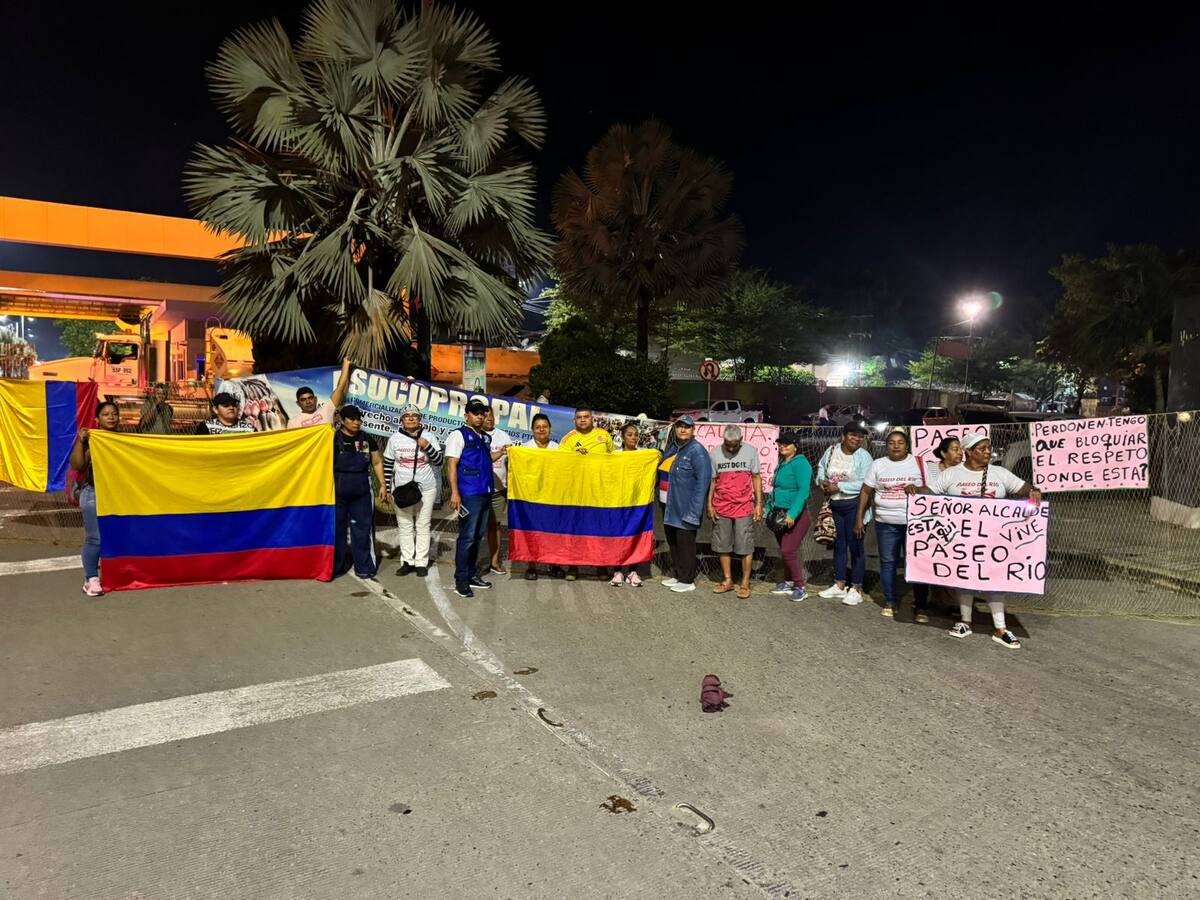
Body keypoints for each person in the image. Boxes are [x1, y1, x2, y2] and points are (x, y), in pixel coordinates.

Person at [929, 432, 1042, 649]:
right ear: (969, 452)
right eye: (982, 449)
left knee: (994, 579)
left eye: (989, 448)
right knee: (964, 576)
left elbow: (1024, 487)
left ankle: (1000, 628)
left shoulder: (1000, 473)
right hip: (962, 539)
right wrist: (914, 490)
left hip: (994, 541)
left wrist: (1033, 491)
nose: (988, 452)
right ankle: (965, 621)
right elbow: (930, 492)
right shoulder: (952, 474)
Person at [856, 429, 930, 621]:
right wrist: (859, 518)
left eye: (900, 442)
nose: (896, 446)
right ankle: (890, 601)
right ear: (886, 446)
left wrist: (918, 489)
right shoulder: (878, 464)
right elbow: (866, 491)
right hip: (885, 523)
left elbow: (932, 489)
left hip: (915, 523)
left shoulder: (918, 463)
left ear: (907, 446)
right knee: (888, 562)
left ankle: (921, 606)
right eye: (891, 442)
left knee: (916, 563)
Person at [816, 422, 874, 605]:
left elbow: (866, 483)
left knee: (856, 546)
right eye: (853, 435)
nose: (857, 439)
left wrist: (839, 486)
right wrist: (821, 481)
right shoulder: (832, 450)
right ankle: (839, 584)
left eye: (860, 436)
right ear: (843, 436)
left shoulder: (864, 456)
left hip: (855, 506)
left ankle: (856, 588)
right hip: (835, 505)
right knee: (839, 545)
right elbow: (821, 467)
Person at [383, 404, 443, 578]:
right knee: (405, 525)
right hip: (402, 489)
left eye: (414, 415)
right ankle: (407, 561)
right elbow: (388, 464)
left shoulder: (429, 436)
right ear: (401, 419)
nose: (410, 418)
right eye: (407, 415)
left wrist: (427, 446)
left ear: (420, 419)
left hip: (426, 488)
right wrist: (387, 488)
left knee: (423, 525)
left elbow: (439, 462)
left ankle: (421, 562)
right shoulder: (394, 439)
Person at [69, 400, 121, 597]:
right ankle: (91, 579)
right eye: (106, 414)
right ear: (97, 419)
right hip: (94, 493)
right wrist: (81, 441)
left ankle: (115, 574)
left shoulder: (125, 439)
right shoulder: (93, 439)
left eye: (114, 414)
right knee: (95, 538)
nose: (111, 417)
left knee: (117, 535)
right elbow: (77, 465)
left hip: (117, 494)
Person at [706, 424, 763, 600]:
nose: (731, 448)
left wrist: (759, 504)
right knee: (722, 544)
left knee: (745, 545)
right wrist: (709, 504)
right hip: (721, 507)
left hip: (744, 507)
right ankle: (728, 580)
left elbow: (756, 477)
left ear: (741, 440)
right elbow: (713, 481)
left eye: (735, 445)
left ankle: (745, 583)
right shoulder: (715, 453)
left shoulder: (751, 452)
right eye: (727, 445)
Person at [445, 399, 494, 598]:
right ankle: (461, 580)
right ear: (466, 415)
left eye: (482, 413)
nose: (479, 416)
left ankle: (472, 575)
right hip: (469, 493)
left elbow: (485, 461)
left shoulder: (484, 437)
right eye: (475, 413)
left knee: (477, 537)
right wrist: (455, 492)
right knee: (467, 537)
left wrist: (502, 452)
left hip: (485, 492)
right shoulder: (458, 435)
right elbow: (451, 465)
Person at [658, 415, 712, 594]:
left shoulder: (697, 451)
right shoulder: (672, 448)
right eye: (680, 426)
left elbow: (702, 483)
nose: (683, 430)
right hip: (668, 506)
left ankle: (687, 580)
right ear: (675, 429)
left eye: (687, 427)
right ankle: (678, 574)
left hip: (685, 508)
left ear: (693, 430)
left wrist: (694, 511)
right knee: (673, 542)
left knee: (685, 544)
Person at [332, 405, 387, 579]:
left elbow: (377, 462)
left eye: (359, 419)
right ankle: (336, 566)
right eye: (352, 419)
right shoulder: (332, 439)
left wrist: (383, 485)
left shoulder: (366, 439)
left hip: (361, 491)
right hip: (337, 491)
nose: (357, 422)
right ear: (342, 421)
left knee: (362, 530)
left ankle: (365, 567)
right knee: (337, 530)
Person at [559, 407, 614, 579]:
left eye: (586, 417)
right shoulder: (568, 439)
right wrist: (574, 456)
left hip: (599, 492)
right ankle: (573, 567)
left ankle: (601, 566)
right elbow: (560, 464)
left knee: (600, 530)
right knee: (576, 530)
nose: (582, 420)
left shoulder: (604, 436)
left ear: (592, 419)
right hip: (577, 493)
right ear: (574, 420)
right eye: (579, 417)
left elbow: (614, 460)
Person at [765, 431, 813, 601]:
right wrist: (768, 508)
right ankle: (788, 581)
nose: (782, 446)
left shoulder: (801, 463)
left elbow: (803, 491)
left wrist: (792, 513)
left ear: (796, 447)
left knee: (788, 550)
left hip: (795, 515)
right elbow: (776, 490)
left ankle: (800, 586)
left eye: (787, 444)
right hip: (778, 513)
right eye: (781, 443)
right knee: (784, 550)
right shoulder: (783, 463)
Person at [521, 413, 559, 581]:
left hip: (552, 497)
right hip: (532, 497)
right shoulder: (525, 448)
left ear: (550, 429)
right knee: (532, 532)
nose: (541, 430)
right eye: (538, 427)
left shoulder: (558, 449)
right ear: (532, 430)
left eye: (545, 426)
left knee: (552, 531)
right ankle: (532, 565)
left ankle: (554, 563)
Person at [610, 422, 648, 587]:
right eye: (629, 435)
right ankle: (617, 571)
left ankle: (633, 571)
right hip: (617, 502)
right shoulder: (615, 455)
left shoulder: (643, 455)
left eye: (636, 435)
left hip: (637, 502)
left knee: (635, 535)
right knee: (618, 535)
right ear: (622, 437)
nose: (633, 437)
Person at [483, 408, 514, 576]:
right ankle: (473, 563)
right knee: (476, 528)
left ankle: (494, 562)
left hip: (498, 491)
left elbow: (513, 461)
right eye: (485, 416)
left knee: (495, 526)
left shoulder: (503, 436)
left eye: (491, 416)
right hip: (478, 491)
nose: (489, 419)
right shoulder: (474, 436)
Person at [289, 358, 353, 429]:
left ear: (315, 399)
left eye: (310, 398)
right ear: (298, 403)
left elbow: (340, 387)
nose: (308, 402)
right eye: (303, 400)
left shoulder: (326, 410)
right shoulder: (293, 422)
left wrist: (346, 364)